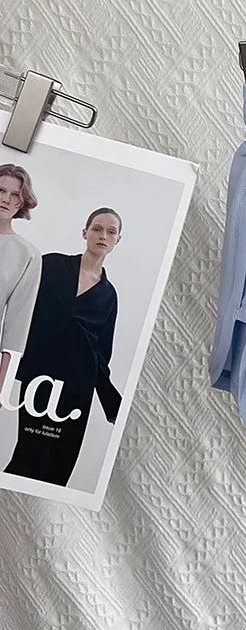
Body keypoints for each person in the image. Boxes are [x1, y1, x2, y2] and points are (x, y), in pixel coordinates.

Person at [3, 208, 124, 486]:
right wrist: (8, 368)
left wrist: (111, 403)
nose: (103, 236)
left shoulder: (109, 295)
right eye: (97, 229)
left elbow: (100, 355)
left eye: (110, 232)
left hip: (78, 389)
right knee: (28, 456)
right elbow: (19, 311)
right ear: (85, 232)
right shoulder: (51, 265)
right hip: (40, 379)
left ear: (117, 240)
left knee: (59, 466)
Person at [0, 163, 42, 392]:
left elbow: (17, 326)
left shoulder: (27, 255)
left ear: (22, 201)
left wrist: (3, 384)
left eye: (15, 194)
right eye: (1, 190)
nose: (5, 199)